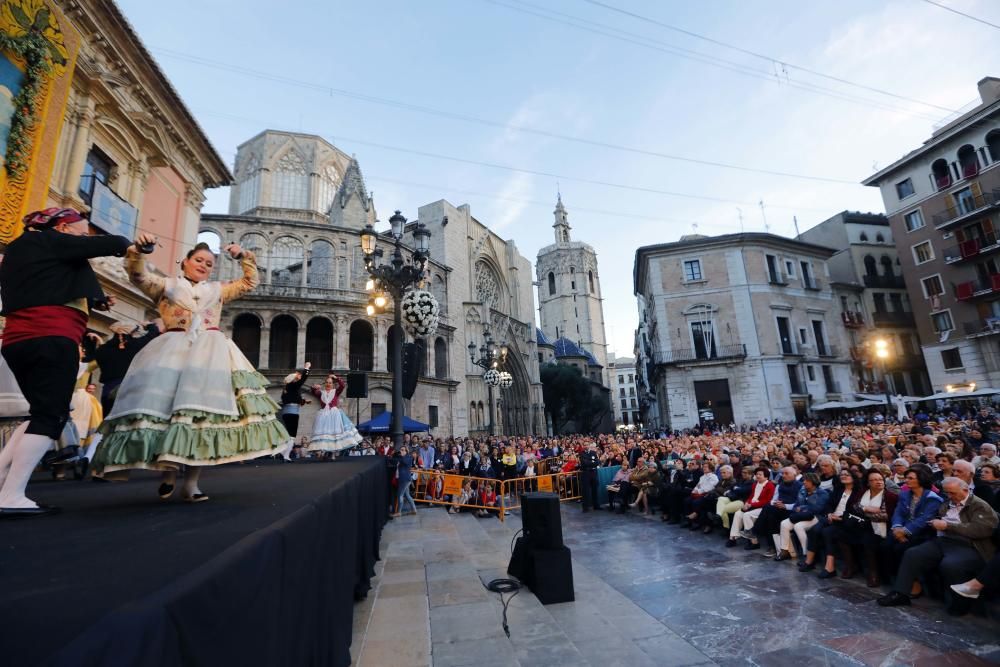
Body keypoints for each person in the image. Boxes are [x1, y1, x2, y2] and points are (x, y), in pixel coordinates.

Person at [91, 239, 289, 502]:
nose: (204, 266)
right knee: (166, 414)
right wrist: (140, 252)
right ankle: (169, 473)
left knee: (201, 417)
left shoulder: (219, 290)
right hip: (171, 350)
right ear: (185, 261)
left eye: (209, 263)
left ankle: (191, 483)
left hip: (209, 355)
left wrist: (242, 256)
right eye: (199, 260)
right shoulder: (165, 285)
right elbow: (137, 274)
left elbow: (250, 282)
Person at [0, 208, 132, 517]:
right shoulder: (51, 239)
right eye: (82, 232)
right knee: (52, 415)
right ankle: (12, 494)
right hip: (51, 338)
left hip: (18, 341)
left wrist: (95, 299)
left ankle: (4, 482)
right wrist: (129, 244)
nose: (85, 237)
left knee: (40, 413)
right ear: (63, 227)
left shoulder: (18, 251)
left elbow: (48, 281)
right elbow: (111, 243)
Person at [878, 477, 998, 613]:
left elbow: (981, 530)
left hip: (968, 545)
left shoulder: (979, 505)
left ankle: (961, 602)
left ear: (965, 490)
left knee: (951, 564)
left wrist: (948, 526)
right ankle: (900, 593)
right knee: (913, 554)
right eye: (947, 493)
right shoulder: (948, 502)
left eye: (953, 493)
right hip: (943, 541)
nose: (949, 496)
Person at [307, 374, 363, 454]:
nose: (328, 384)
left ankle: (333, 454)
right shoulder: (321, 393)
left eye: (330, 383)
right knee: (323, 434)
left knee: (334, 434)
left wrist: (336, 378)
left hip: (334, 415)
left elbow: (342, 385)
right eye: (326, 382)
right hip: (323, 415)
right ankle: (323, 452)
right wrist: (314, 387)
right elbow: (313, 391)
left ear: (333, 384)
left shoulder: (335, 392)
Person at [278, 362, 311, 461]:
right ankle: (286, 455)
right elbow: (302, 380)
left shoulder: (288, 389)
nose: (299, 378)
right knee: (292, 436)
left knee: (288, 435)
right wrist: (306, 368)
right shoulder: (293, 386)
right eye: (297, 377)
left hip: (287, 413)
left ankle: (283, 452)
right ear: (294, 379)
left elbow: (292, 400)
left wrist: (304, 401)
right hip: (293, 413)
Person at [394, 445, 417, 516]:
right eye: (401, 450)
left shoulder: (408, 457)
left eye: (403, 450)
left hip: (405, 479)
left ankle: (399, 512)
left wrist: (402, 456)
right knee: (407, 495)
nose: (401, 451)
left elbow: (405, 462)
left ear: (406, 451)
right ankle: (414, 510)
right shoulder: (401, 457)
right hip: (403, 478)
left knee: (400, 495)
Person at [579, 442, 600, 512]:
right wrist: (592, 462)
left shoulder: (593, 452)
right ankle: (585, 507)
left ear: (589, 445)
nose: (586, 446)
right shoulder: (581, 453)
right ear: (583, 446)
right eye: (584, 445)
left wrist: (590, 462)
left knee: (595, 490)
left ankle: (596, 505)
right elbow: (584, 463)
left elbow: (598, 462)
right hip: (585, 474)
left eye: (587, 445)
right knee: (585, 491)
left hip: (594, 473)